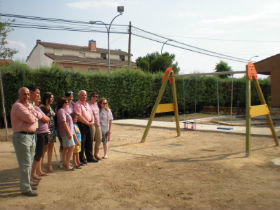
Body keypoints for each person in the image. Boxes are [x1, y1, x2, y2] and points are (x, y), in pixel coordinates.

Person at [11, 87, 43, 197]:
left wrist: (34, 115)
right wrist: (35, 116)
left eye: (28, 94)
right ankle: (25, 188)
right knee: (25, 164)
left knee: (29, 162)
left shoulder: (28, 105)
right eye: (24, 94)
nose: (27, 96)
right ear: (19, 95)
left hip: (31, 136)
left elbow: (39, 115)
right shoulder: (17, 106)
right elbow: (31, 118)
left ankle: (27, 184)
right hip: (22, 137)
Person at [74, 90, 96, 164]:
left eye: (85, 95)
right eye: (82, 95)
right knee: (82, 142)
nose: (84, 96)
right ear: (79, 96)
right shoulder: (77, 104)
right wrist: (87, 123)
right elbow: (79, 116)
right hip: (82, 125)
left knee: (89, 141)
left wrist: (92, 121)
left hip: (89, 124)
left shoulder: (87, 104)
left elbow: (91, 114)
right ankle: (81, 159)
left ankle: (89, 157)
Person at [31, 94, 50, 181]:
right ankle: (34, 173)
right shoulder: (35, 108)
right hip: (40, 133)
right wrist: (46, 118)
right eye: (38, 98)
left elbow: (46, 118)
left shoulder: (38, 108)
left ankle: (39, 170)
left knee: (41, 152)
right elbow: (45, 119)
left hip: (44, 132)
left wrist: (46, 118)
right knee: (38, 153)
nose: (39, 100)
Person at [57, 97, 75, 171]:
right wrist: (69, 133)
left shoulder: (63, 110)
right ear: (62, 103)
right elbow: (64, 123)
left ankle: (65, 163)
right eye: (66, 102)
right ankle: (67, 164)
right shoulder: (61, 111)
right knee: (71, 147)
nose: (68, 103)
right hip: (66, 133)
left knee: (66, 148)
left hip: (67, 132)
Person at [40, 92, 56, 173]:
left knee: (51, 148)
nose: (52, 99)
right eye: (51, 98)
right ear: (47, 99)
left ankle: (49, 164)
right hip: (46, 129)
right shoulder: (42, 107)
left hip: (52, 129)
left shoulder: (51, 106)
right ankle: (41, 166)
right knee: (44, 149)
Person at [88, 92, 102, 160]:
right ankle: (91, 155)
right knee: (91, 140)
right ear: (91, 97)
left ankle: (96, 154)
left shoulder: (97, 104)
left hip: (98, 124)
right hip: (92, 124)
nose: (95, 98)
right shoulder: (88, 104)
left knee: (99, 139)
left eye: (96, 96)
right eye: (94, 96)